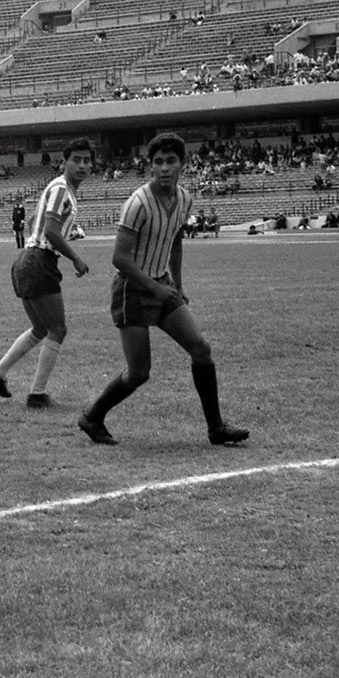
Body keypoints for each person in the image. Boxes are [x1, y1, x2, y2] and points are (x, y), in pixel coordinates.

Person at [77, 133, 250, 446]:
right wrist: (155, 290)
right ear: (150, 166)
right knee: (139, 373)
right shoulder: (138, 203)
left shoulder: (184, 199)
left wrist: (177, 285)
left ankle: (216, 428)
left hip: (163, 285)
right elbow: (119, 258)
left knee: (201, 349)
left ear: (182, 164)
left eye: (171, 161)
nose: (164, 168)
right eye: (158, 162)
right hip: (132, 289)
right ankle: (92, 416)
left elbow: (176, 240)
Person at [0, 137, 94, 408]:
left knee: (41, 328)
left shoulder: (58, 189)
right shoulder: (62, 190)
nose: (82, 165)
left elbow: (35, 221)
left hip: (27, 259)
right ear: (64, 162)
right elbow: (51, 231)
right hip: (40, 260)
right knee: (57, 329)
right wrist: (76, 258)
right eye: (76, 160)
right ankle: (37, 393)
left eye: (87, 160)